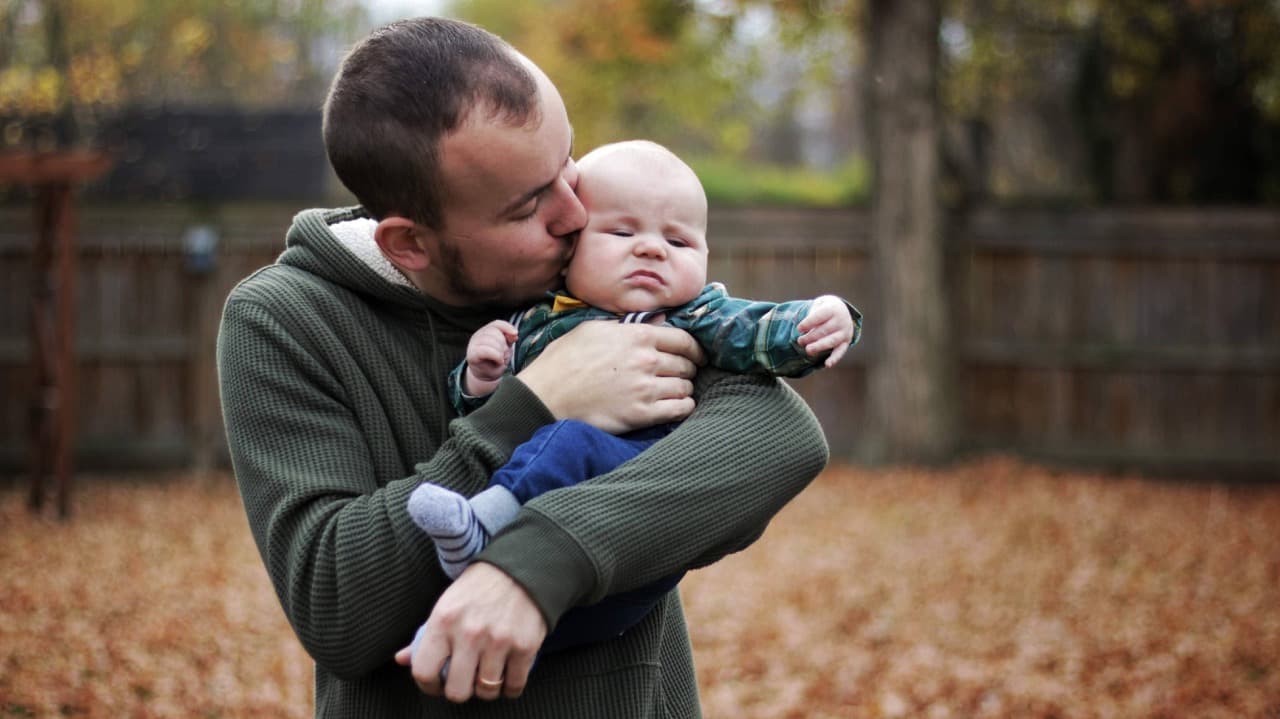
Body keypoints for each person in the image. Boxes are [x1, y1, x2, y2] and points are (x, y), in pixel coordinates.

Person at [217, 16, 830, 718]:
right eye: (530, 204)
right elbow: (335, 604)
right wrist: (534, 403)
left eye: (567, 163)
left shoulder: (587, 268)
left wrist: (538, 562)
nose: (576, 213)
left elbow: (778, 433)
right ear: (410, 243)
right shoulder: (284, 320)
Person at [405, 140, 861, 655]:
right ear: (569, 249)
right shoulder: (531, 320)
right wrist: (480, 376)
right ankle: (444, 644)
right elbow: (479, 415)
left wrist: (815, 321)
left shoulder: (693, 316)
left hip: (633, 514)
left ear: (706, 258)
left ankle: (480, 526)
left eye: (679, 241)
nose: (651, 249)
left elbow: (752, 331)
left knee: (570, 444)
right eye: (622, 233)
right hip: (539, 538)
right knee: (507, 624)